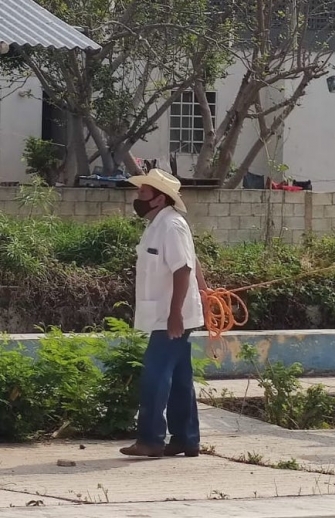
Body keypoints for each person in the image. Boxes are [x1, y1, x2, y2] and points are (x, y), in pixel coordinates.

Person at [119, 168, 208, 458]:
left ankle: (151, 439)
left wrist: (175, 314)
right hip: (168, 313)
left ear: (159, 199)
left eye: (143, 193)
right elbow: (192, 261)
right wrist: (205, 293)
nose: (138, 197)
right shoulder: (159, 224)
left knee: (154, 376)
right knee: (180, 379)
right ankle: (186, 439)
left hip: (170, 316)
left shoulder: (171, 225)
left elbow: (183, 269)